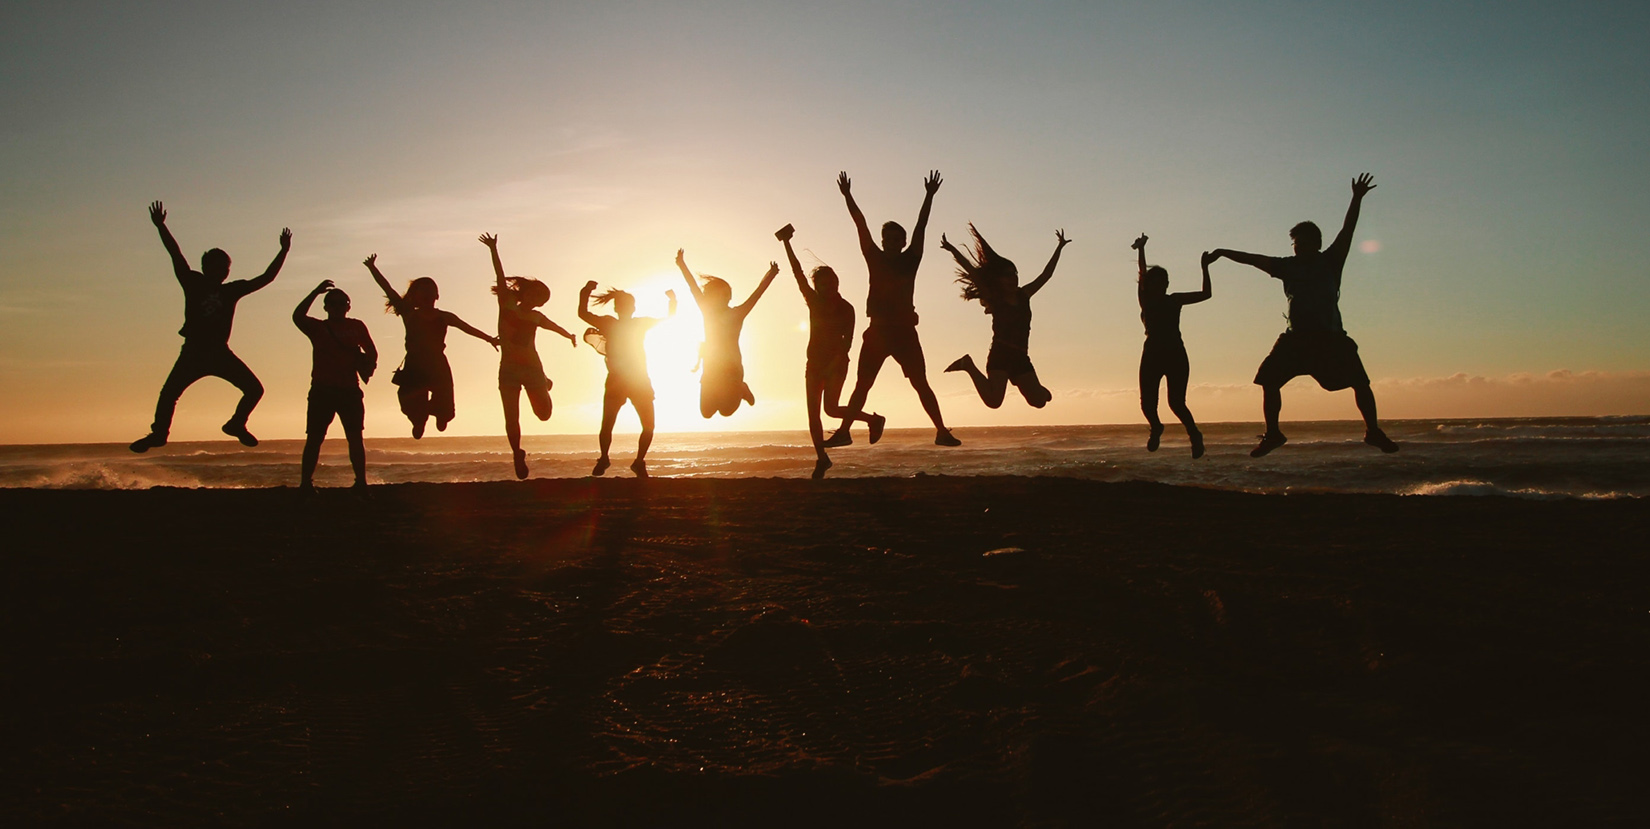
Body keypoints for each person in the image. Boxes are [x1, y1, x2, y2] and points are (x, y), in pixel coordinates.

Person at [1209, 173, 1399, 457]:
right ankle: (1273, 434)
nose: (1300, 246)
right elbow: (1253, 259)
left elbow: (1348, 229)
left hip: (1330, 338)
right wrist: (1224, 252)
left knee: (1360, 382)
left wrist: (1356, 198)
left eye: (1306, 242)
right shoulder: (1286, 266)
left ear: (1317, 243)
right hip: (1295, 339)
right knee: (1269, 380)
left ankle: (1373, 431)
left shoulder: (1331, 260)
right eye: (1296, 242)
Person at [130, 201, 289, 453]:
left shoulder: (232, 290)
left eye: (225, 269)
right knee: (169, 394)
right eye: (217, 268)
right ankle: (159, 434)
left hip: (219, 352)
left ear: (227, 271)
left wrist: (283, 251)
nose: (222, 273)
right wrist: (161, 227)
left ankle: (236, 424)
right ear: (205, 268)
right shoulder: (192, 281)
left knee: (254, 389)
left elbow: (266, 278)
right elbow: (176, 254)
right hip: (193, 351)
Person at [824, 170, 960, 448]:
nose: (892, 242)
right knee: (862, 385)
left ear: (903, 241)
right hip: (877, 331)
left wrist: (929, 196)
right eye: (888, 238)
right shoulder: (874, 257)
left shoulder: (911, 259)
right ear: (883, 241)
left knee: (921, 383)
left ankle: (941, 431)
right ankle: (844, 432)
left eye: (897, 239)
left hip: (904, 333)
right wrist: (848, 196)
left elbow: (921, 227)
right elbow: (860, 225)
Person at [778, 223, 884, 479]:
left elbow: (848, 343)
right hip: (813, 363)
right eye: (821, 285)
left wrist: (833, 363)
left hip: (837, 363)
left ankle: (873, 420)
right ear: (817, 287)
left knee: (832, 409)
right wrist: (787, 244)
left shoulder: (847, 308)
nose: (826, 288)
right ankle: (822, 459)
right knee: (813, 415)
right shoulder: (813, 302)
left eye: (830, 284)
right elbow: (797, 274)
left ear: (836, 283)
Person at [364, 254, 498, 439]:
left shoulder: (444, 316)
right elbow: (388, 289)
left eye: (430, 290)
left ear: (437, 295)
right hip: (414, 364)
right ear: (415, 296)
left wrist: (489, 339)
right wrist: (372, 268)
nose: (427, 294)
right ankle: (419, 421)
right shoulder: (409, 314)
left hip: (437, 364)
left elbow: (467, 328)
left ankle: (440, 415)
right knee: (411, 402)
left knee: (445, 404)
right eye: (422, 291)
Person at [480, 233, 578, 479]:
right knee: (511, 417)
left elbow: (553, 326)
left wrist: (569, 336)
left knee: (544, 415)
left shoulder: (536, 317)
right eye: (535, 294)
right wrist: (493, 249)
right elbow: (500, 276)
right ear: (526, 292)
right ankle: (517, 453)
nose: (536, 300)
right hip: (509, 370)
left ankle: (545, 383)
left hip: (533, 369)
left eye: (541, 299)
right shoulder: (507, 304)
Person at [941, 226, 1070, 410]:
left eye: (1015, 274)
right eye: (1008, 275)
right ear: (998, 279)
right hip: (1000, 354)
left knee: (1039, 402)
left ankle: (1037, 390)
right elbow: (972, 272)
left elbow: (1046, 275)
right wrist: (952, 249)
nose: (1013, 278)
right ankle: (968, 365)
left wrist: (1060, 247)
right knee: (994, 402)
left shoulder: (1024, 295)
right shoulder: (996, 299)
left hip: (1020, 357)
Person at [579, 280, 676, 477]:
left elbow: (583, 313)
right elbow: (670, 317)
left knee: (625, 424)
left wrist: (586, 292)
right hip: (628, 380)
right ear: (628, 308)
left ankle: (630, 461)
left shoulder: (621, 323)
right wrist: (672, 300)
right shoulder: (623, 323)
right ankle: (617, 459)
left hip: (633, 380)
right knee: (630, 424)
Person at [1131, 233, 1211, 458]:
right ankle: (1156, 427)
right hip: (1152, 353)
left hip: (1175, 353)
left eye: (1166, 281)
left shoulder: (1174, 300)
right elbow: (1142, 272)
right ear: (1152, 284)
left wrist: (1204, 268)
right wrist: (1141, 249)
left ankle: (1194, 435)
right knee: (1147, 404)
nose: (1164, 285)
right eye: (1160, 281)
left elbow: (1206, 294)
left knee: (1176, 402)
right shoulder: (1145, 299)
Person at [292, 280, 377, 490]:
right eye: (334, 304)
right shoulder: (318, 327)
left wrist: (366, 365)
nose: (338, 307)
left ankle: (361, 483)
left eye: (342, 303)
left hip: (349, 389)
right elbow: (297, 317)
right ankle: (305, 484)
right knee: (314, 438)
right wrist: (315, 292)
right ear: (326, 307)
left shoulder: (357, 326)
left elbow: (372, 351)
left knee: (355, 438)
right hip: (323, 389)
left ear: (348, 306)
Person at [675, 249, 778, 418]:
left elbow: (757, 295)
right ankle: (736, 390)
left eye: (725, 294)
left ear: (729, 297)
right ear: (709, 297)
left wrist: (771, 275)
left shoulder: (737, 313)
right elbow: (692, 287)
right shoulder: (707, 311)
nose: (720, 298)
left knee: (726, 411)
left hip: (731, 369)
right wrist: (681, 264)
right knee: (707, 413)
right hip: (711, 367)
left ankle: (741, 388)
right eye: (716, 294)